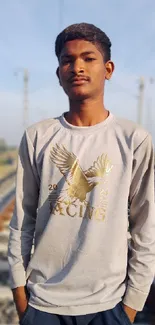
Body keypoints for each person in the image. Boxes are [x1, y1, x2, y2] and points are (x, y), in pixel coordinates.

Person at [8, 23, 155, 325]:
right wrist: (21, 297)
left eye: (89, 58)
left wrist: (131, 306)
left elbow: (145, 228)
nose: (77, 67)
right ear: (58, 73)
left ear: (108, 69)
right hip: (42, 303)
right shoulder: (38, 136)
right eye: (67, 60)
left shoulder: (133, 139)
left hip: (109, 305)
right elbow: (22, 222)